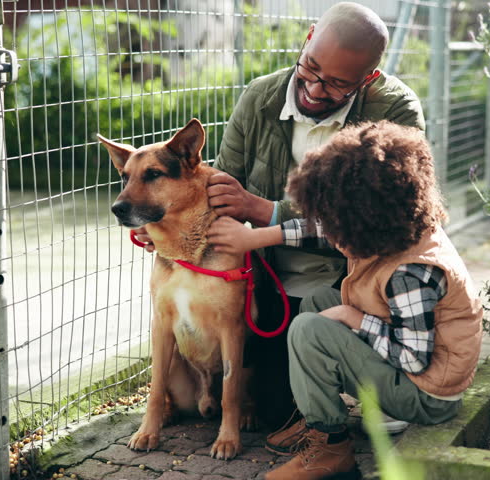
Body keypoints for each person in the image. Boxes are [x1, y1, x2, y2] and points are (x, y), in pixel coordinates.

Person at [131, 2, 425, 428]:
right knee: (264, 412)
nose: (315, 90)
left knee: (312, 397)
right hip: (270, 286)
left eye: (338, 85)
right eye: (310, 68)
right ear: (307, 39)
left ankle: (373, 381)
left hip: (356, 283)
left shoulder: (394, 112)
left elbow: (380, 222)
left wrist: (266, 212)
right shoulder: (259, 97)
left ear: (369, 79)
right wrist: (160, 223)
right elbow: (216, 188)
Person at [207, 121, 483, 480]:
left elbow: (414, 360)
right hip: (414, 373)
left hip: (428, 397)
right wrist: (257, 238)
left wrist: (355, 318)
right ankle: (321, 421)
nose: (332, 236)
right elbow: (315, 229)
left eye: (338, 227)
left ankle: (332, 449)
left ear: (363, 221)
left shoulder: (411, 274)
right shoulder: (397, 224)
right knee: (320, 301)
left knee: (310, 328)